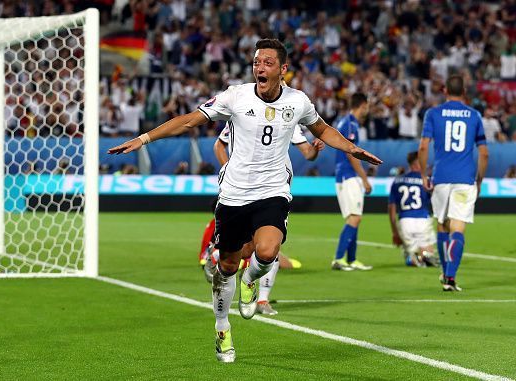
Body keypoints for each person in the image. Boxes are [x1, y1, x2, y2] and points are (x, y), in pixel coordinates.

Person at [108, 38, 382, 363]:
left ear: (283, 69)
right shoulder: (235, 96)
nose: (259, 67)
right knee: (225, 267)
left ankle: (251, 278)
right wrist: (144, 138)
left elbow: (322, 129)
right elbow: (189, 120)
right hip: (235, 194)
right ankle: (222, 328)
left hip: (272, 190)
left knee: (267, 250)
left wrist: (350, 147)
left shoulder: (298, 101)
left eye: (267, 62)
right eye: (256, 62)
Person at [211, 121, 324, 315]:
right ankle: (215, 256)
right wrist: (230, 172)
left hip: (273, 192)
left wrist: (315, 150)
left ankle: (261, 298)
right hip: (241, 192)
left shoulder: (289, 115)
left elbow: (307, 153)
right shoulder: (243, 111)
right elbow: (219, 144)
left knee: (269, 249)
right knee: (246, 249)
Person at [418, 74, 489, 292]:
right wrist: (479, 180)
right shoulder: (474, 115)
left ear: (445, 91)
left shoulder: (433, 113)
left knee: (442, 224)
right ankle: (450, 276)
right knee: (458, 226)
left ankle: (445, 272)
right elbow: (484, 153)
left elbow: (423, 147)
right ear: (465, 93)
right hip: (464, 179)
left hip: (441, 178)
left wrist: (423, 174)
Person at [331, 93, 374, 272]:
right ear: (363, 105)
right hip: (348, 176)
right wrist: (364, 179)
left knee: (354, 217)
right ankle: (339, 259)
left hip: (346, 176)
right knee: (355, 218)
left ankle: (352, 259)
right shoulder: (349, 123)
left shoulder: (349, 123)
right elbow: (350, 153)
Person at [388, 151, 438, 267]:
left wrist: (395, 232)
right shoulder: (426, 180)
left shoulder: (397, 181)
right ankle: (421, 256)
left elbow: (391, 208)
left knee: (415, 255)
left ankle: (412, 256)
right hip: (423, 221)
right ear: (417, 164)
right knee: (429, 256)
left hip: (405, 222)